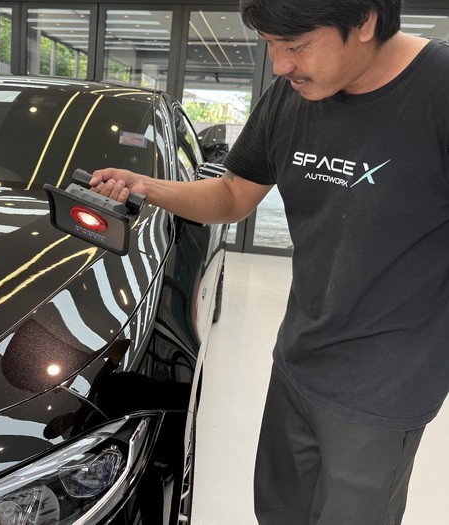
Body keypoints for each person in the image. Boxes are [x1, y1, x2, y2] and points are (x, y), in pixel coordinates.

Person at [90, 1, 449, 523]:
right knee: (278, 512)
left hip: (385, 387)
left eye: (296, 46)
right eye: (270, 46)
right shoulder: (291, 95)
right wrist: (146, 186)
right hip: (298, 357)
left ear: (366, 20)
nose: (281, 65)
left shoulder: (439, 92)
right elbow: (232, 195)